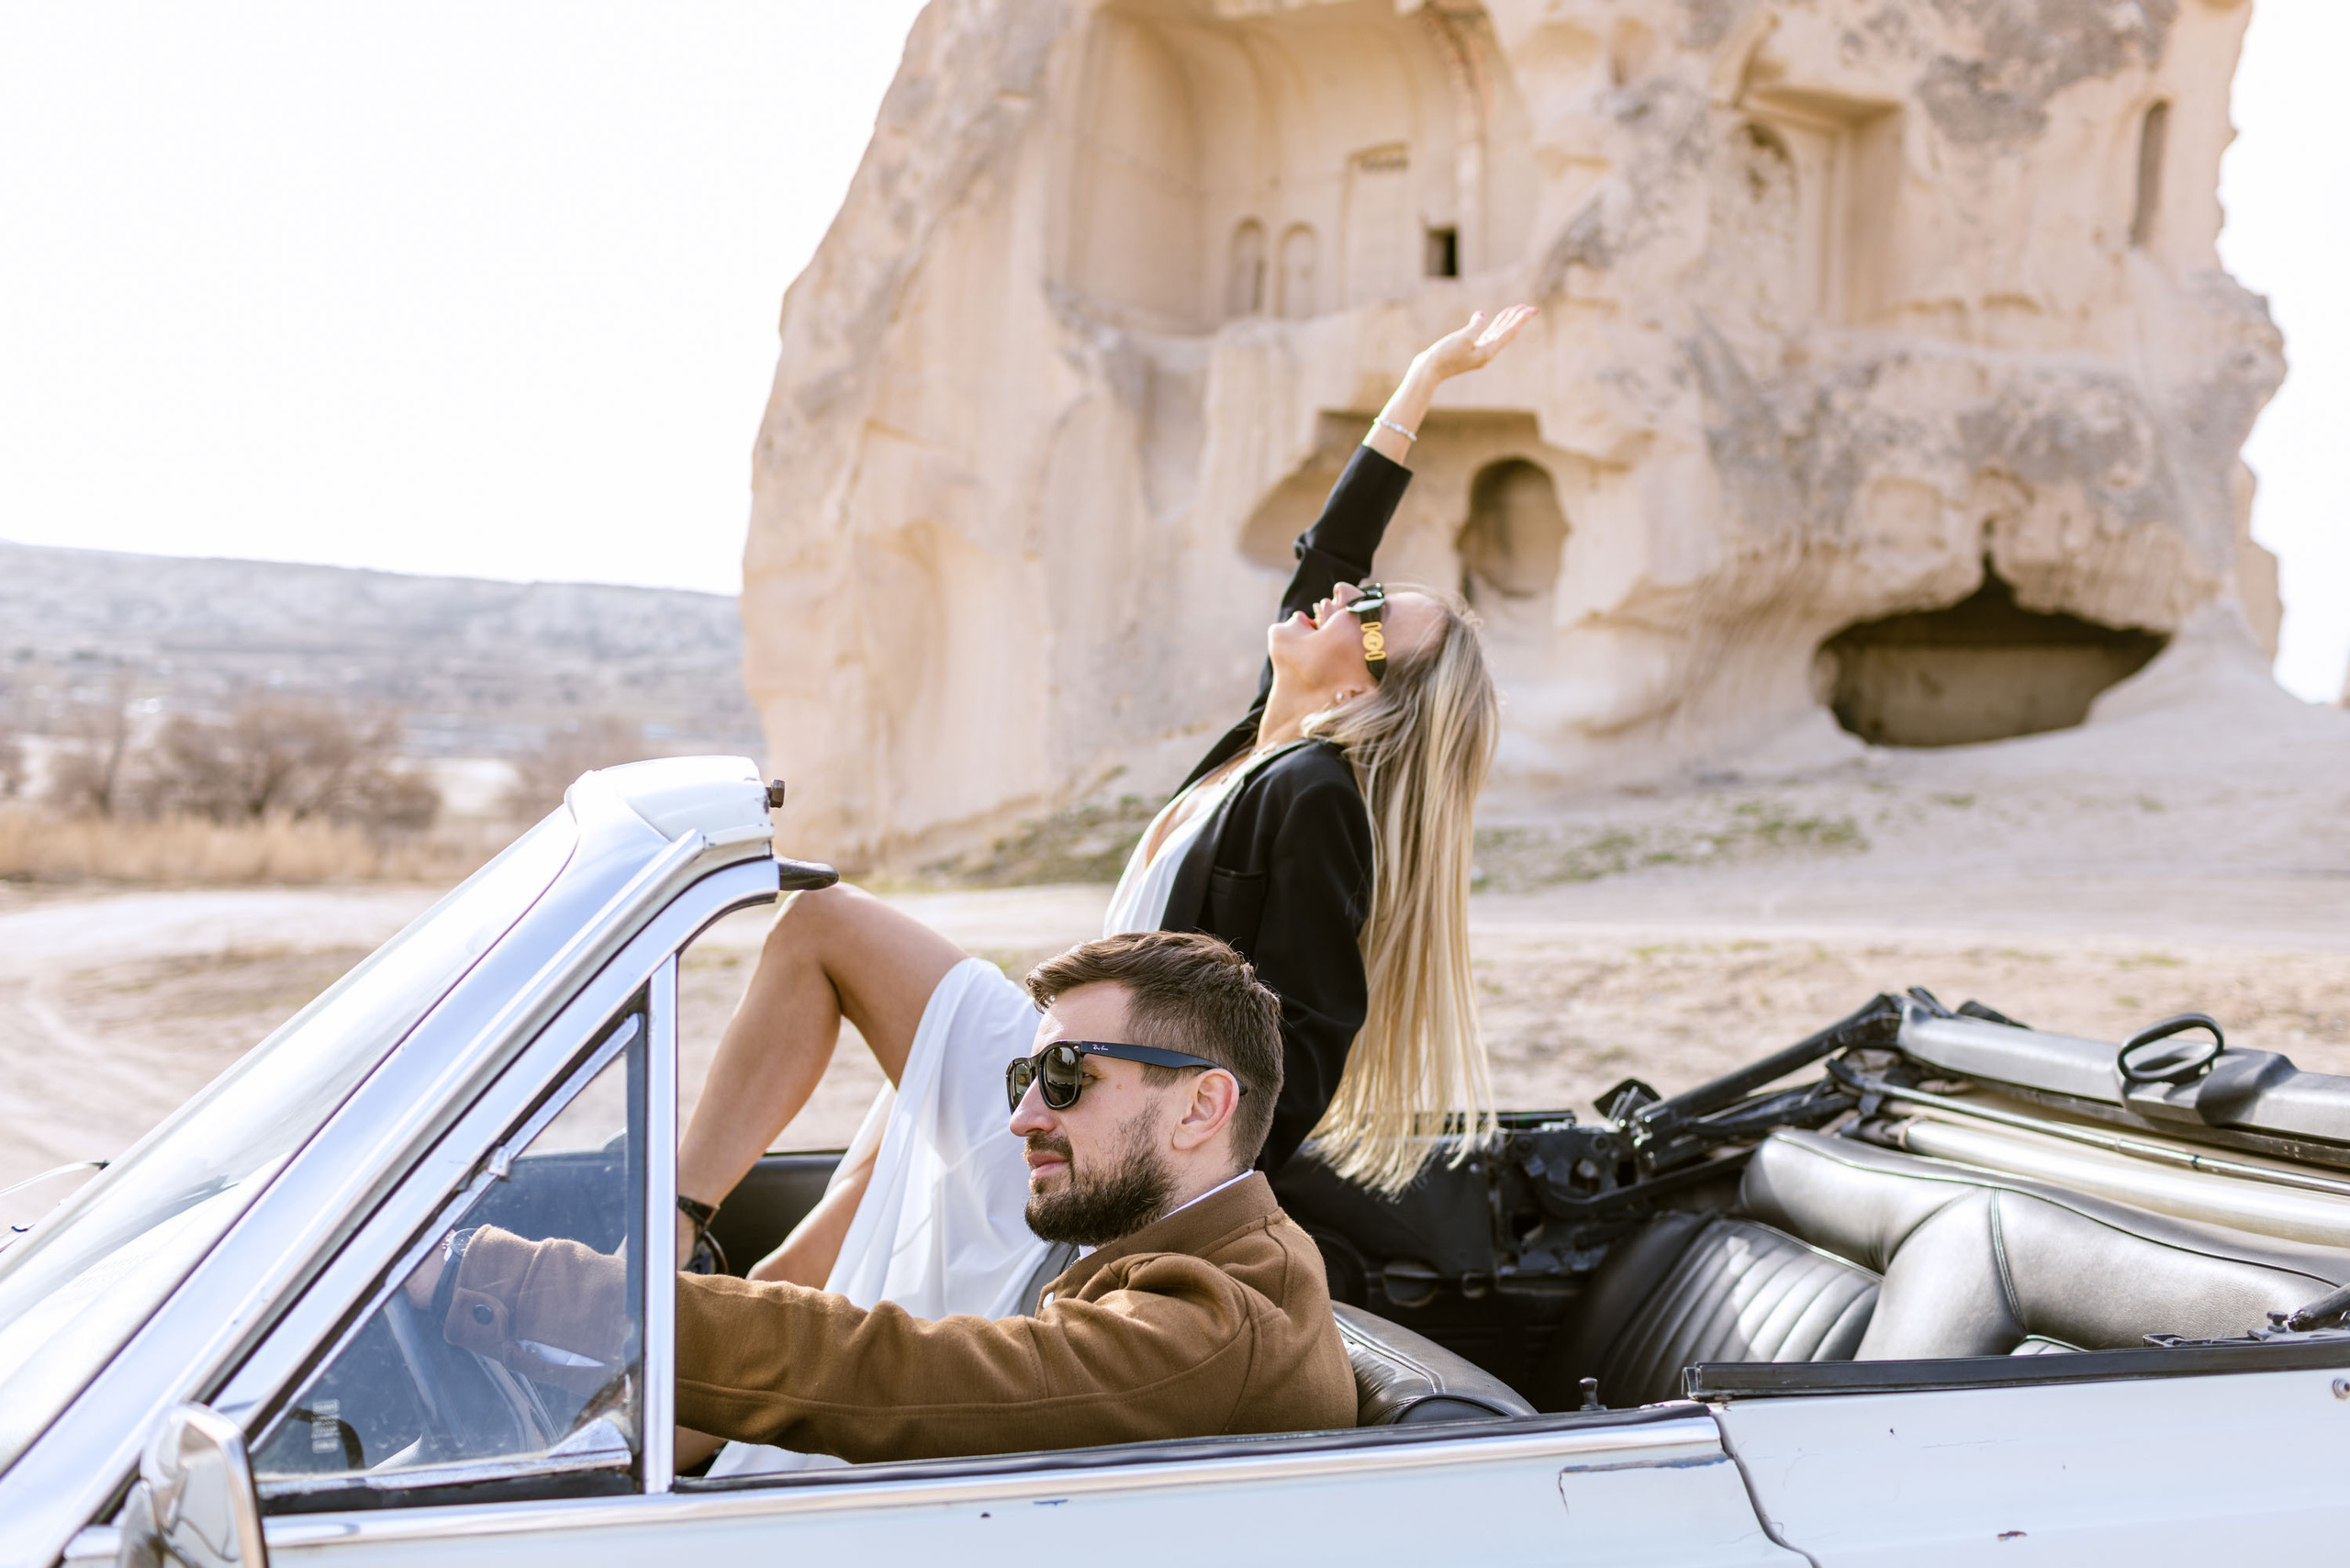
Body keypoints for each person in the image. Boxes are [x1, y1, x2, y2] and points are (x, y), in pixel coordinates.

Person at [674, 305, 1539, 1337]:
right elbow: (1329, 553)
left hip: (1096, 1096)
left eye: (1371, 619)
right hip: (1070, 1063)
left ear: (1363, 692)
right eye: (1363, 591)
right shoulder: (1257, 751)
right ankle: (696, 1360)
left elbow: (1297, 1062)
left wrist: (1152, 1187)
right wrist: (1420, 384)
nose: (1343, 597)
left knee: (823, 925)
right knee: (855, 1188)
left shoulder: (1316, 796)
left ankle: (669, 1231)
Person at [408, 933, 1356, 1462]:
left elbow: (890, 1370)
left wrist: (495, 1277)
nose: (1022, 1115)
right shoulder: (1191, 1262)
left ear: (1202, 1107)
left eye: (1067, 1076)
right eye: (1024, 1074)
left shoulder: (1213, 1326)